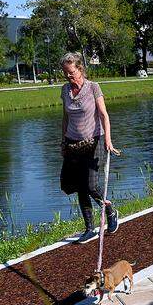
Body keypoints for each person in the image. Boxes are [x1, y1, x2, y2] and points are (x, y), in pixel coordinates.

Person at [58, 52, 121, 244]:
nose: (68, 76)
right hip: (72, 144)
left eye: (71, 72)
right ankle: (89, 229)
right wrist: (63, 141)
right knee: (79, 187)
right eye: (65, 73)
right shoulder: (65, 90)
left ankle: (110, 211)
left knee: (91, 185)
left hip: (94, 142)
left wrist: (108, 139)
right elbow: (65, 117)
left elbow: (104, 116)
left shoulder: (93, 88)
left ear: (80, 69)